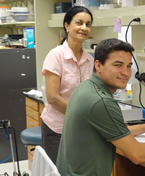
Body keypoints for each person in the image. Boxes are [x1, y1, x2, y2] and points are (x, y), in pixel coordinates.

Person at [56, 38, 145, 176]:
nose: (125, 72)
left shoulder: (85, 88)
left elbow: (115, 131)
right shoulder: (102, 102)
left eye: (128, 66)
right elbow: (138, 155)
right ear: (98, 65)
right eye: (117, 65)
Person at [40, 6, 94, 164]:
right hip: (57, 129)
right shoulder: (56, 56)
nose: (84, 28)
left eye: (88, 24)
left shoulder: (89, 60)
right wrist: (80, 116)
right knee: (56, 172)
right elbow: (53, 98)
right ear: (67, 26)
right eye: (79, 23)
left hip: (81, 130)